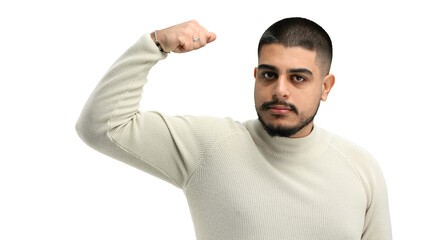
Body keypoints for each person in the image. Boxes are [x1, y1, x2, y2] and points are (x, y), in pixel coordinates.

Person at [76, 17, 392, 239]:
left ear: (326, 86)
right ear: (256, 76)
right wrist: (155, 44)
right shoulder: (209, 146)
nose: (280, 89)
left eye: (298, 78)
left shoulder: (361, 168)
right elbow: (101, 126)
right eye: (269, 75)